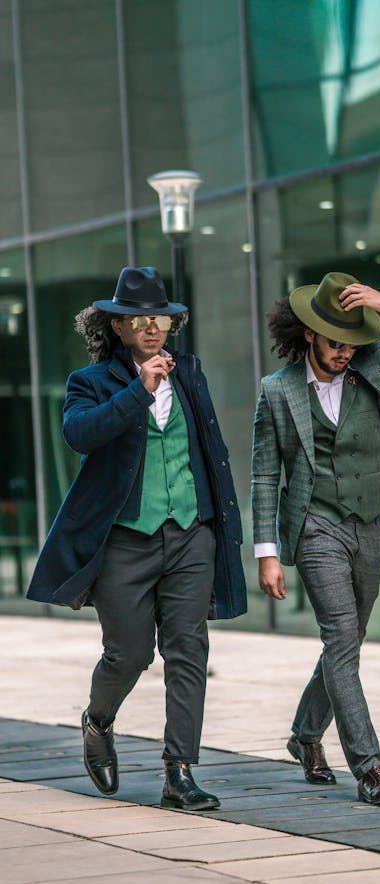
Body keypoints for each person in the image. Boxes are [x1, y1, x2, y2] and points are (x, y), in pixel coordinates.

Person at [27, 266, 246, 811]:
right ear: (117, 328)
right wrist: (138, 389)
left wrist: (225, 529)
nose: (152, 328)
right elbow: (82, 435)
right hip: (125, 538)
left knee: (188, 648)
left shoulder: (191, 372)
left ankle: (180, 772)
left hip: (192, 533)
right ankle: (98, 722)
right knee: (128, 654)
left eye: (161, 319)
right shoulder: (91, 382)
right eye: (138, 320)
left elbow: (209, 452)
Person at [251, 271, 380, 805]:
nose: (344, 352)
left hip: (370, 524)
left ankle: (305, 736)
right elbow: (265, 475)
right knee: (341, 637)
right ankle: (370, 767)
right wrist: (266, 553)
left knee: (348, 641)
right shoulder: (276, 392)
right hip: (316, 525)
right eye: (335, 341)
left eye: (353, 342)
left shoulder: (376, 366)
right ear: (310, 333)